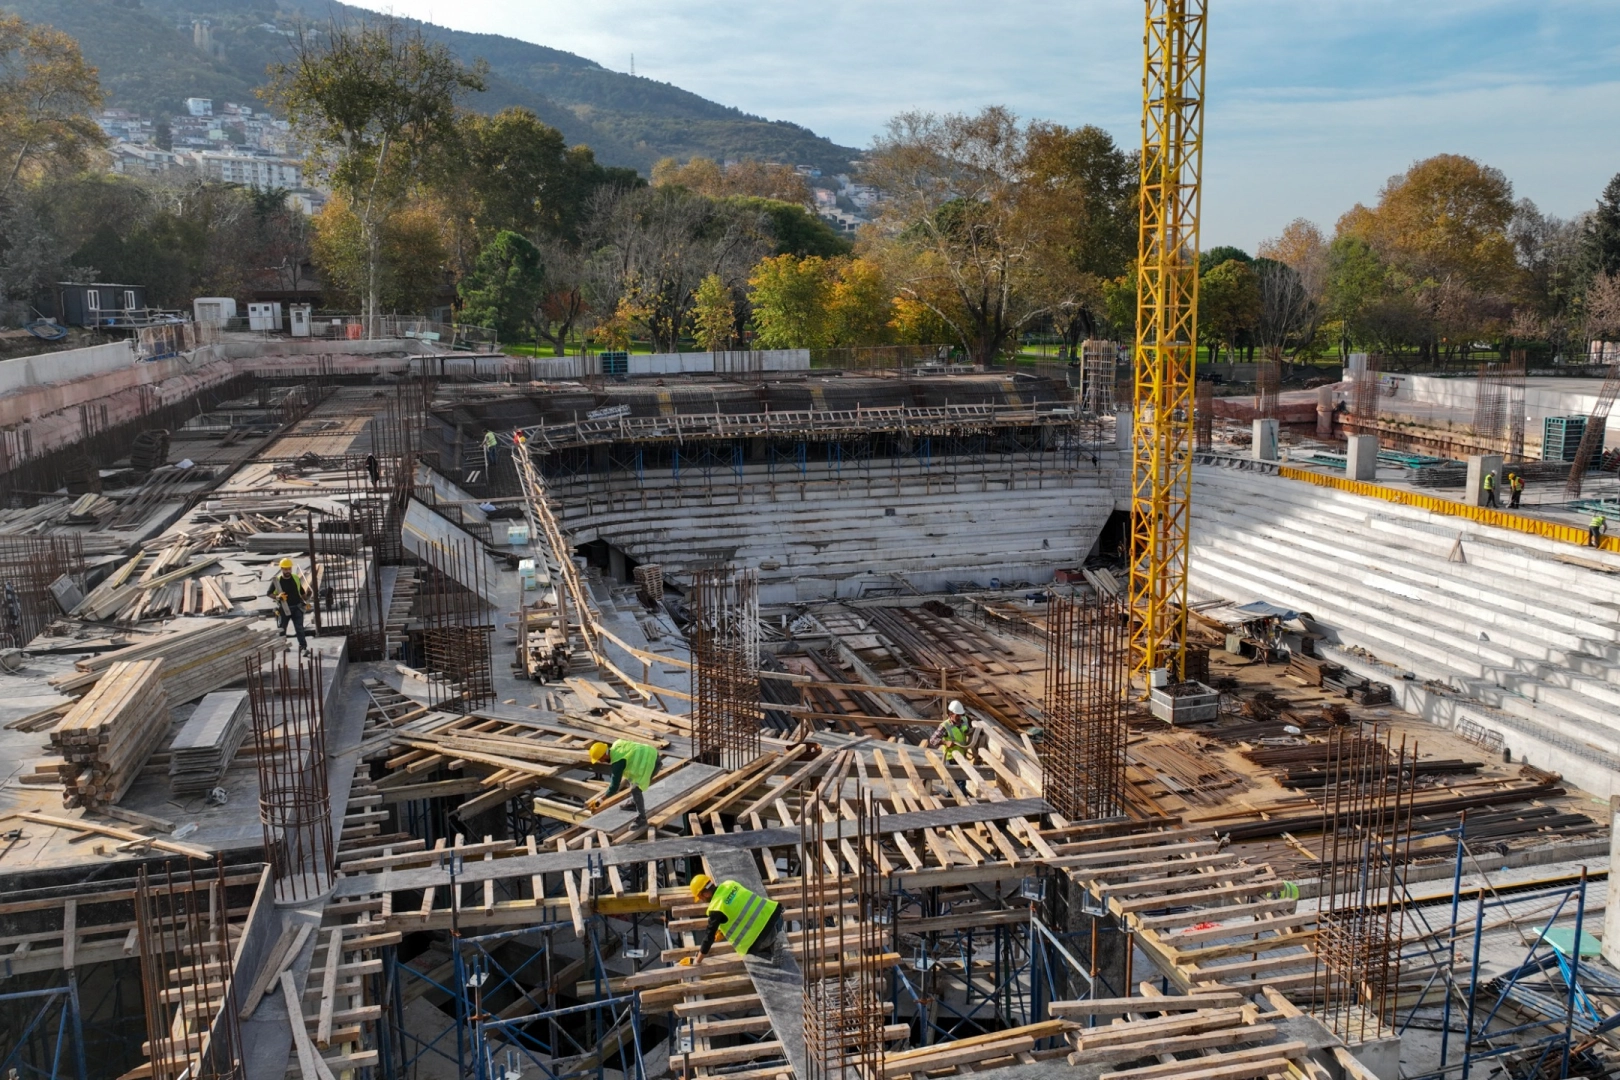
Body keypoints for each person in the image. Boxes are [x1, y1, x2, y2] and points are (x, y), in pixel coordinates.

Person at [679, 875, 783, 965]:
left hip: (762, 939)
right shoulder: (730, 884)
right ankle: (775, 938)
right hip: (777, 919)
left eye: (700, 897)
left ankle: (770, 949)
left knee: (754, 954)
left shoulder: (716, 908)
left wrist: (697, 961)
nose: (701, 900)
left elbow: (709, 937)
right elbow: (738, 907)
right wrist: (722, 931)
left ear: (705, 894)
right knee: (766, 926)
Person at [586, 739, 657, 827]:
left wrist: (599, 801)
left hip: (652, 762)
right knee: (632, 779)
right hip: (650, 752)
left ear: (604, 755)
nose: (600, 761)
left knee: (636, 789)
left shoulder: (617, 763)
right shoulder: (616, 744)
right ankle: (633, 803)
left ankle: (642, 818)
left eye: (600, 759)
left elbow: (614, 787)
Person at [267, 558, 312, 653]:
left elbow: (301, 592)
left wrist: (307, 596)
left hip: (297, 607)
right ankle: (283, 646)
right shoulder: (277, 580)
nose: (287, 571)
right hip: (284, 609)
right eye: (285, 569)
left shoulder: (295, 578)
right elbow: (269, 593)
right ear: (281, 569)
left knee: (299, 628)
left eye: (289, 569)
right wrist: (278, 597)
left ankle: (303, 647)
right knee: (282, 629)